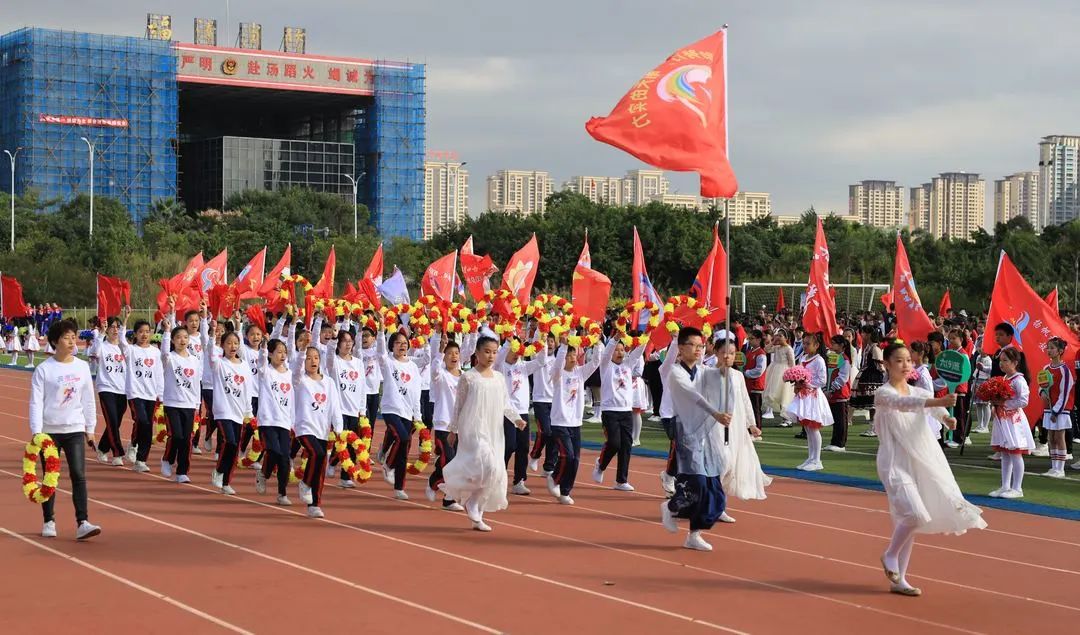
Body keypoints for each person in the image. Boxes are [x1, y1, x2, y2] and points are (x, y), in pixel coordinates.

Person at [873, 340, 986, 596]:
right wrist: (939, 402)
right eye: (899, 360)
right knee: (914, 515)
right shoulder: (884, 393)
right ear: (887, 364)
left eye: (908, 361)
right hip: (894, 461)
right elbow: (905, 405)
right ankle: (890, 555)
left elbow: (938, 413)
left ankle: (899, 580)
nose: (905, 365)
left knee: (908, 521)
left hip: (921, 460)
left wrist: (949, 418)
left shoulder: (920, 392)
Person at [439, 336, 527, 531]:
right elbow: (458, 405)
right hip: (472, 428)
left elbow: (506, 403)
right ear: (477, 353)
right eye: (487, 351)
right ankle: (472, 503)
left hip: (493, 428)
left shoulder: (499, 378)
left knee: (495, 470)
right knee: (485, 462)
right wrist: (452, 429)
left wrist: (517, 419)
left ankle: (476, 506)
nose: (491, 356)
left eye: (494, 352)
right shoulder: (468, 377)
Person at [659, 327, 733, 552]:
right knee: (697, 482)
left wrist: (724, 365)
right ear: (681, 348)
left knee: (713, 485)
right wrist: (715, 413)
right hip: (685, 429)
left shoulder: (701, 370)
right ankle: (672, 506)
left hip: (706, 432)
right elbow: (693, 395)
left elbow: (715, 375)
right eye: (694, 345)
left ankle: (694, 534)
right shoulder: (675, 372)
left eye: (701, 346)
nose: (699, 349)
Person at [30, 319, 101, 540]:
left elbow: (89, 399)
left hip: (75, 429)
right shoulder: (44, 370)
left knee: (78, 475)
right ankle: (49, 520)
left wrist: (90, 428)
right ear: (54, 341)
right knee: (51, 476)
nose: (72, 341)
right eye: (66, 337)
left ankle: (83, 522)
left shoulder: (81, 367)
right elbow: (36, 402)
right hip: (49, 431)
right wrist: (36, 432)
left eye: (74, 336)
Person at [546, 339, 602, 505]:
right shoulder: (557, 374)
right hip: (560, 422)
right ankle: (555, 478)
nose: (572, 357)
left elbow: (596, 361)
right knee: (567, 456)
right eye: (569, 355)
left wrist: (597, 342)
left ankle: (565, 492)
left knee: (575, 459)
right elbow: (557, 364)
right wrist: (563, 346)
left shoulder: (580, 373)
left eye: (574, 354)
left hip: (575, 423)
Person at [294, 346, 343, 518]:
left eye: (315, 357)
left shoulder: (328, 382)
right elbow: (297, 365)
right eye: (309, 358)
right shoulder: (300, 380)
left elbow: (335, 406)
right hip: (304, 427)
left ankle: (315, 504)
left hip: (322, 429)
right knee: (317, 453)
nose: (313, 361)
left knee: (321, 463)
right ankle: (305, 484)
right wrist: (301, 351)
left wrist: (338, 427)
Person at [592, 337, 646, 491]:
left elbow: (638, 351)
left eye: (622, 349)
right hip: (610, 411)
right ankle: (600, 465)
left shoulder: (628, 365)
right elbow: (607, 351)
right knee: (614, 443)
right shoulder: (606, 365)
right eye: (617, 349)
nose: (619, 352)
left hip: (626, 411)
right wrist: (614, 339)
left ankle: (621, 481)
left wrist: (647, 335)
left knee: (626, 446)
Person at [495, 337, 548, 494]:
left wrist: (542, 340)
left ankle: (519, 481)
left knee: (523, 447)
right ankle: (499, 476)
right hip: (507, 412)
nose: (517, 353)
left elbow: (540, 362)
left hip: (523, 412)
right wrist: (508, 341)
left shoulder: (524, 366)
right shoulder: (501, 366)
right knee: (509, 445)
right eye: (514, 349)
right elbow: (500, 356)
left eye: (519, 350)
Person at [377, 328, 423, 499]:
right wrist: (382, 330)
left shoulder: (412, 366)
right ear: (392, 346)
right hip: (390, 409)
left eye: (405, 343)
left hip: (407, 411)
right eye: (398, 343)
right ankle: (388, 465)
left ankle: (399, 487)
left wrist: (417, 415)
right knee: (402, 438)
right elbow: (381, 352)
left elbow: (416, 392)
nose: (402, 346)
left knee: (405, 448)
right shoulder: (388, 362)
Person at [159, 303, 203, 483]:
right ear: (173, 340)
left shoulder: (194, 361)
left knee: (186, 439)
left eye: (185, 337)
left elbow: (195, 384)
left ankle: (182, 471)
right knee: (176, 435)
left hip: (189, 404)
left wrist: (198, 406)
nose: (183, 340)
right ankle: (167, 459)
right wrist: (168, 331)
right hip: (172, 403)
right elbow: (163, 353)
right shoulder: (170, 358)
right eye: (178, 338)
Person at [210, 330, 255, 494]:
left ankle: (226, 482)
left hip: (238, 412)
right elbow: (212, 356)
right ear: (222, 346)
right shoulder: (219, 364)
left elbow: (247, 389)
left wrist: (249, 412)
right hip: (223, 411)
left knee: (235, 448)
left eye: (235, 343)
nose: (232, 346)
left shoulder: (244, 366)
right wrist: (212, 338)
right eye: (228, 343)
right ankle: (219, 470)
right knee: (230, 442)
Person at [784, 332, 833, 470]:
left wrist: (806, 383)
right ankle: (810, 457)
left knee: (813, 428)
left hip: (813, 397)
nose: (805, 346)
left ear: (816, 345)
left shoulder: (819, 360)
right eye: (804, 343)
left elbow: (822, 380)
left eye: (808, 343)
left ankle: (817, 460)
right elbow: (800, 372)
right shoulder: (804, 358)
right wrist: (797, 382)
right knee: (807, 428)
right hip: (803, 396)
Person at [990, 347, 1035, 498]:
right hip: (1003, 419)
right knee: (1005, 453)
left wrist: (1004, 404)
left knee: (1015, 453)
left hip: (1014, 421)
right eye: (1000, 360)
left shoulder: (1019, 380)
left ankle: (1017, 488)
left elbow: (1024, 400)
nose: (1001, 364)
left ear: (1015, 362)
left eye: (1005, 360)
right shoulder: (1004, 379)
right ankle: (1005, 486)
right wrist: (995, 405)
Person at [324, 328, 366, 488]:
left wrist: (362, 410)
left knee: (351, 443)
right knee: (342, 440)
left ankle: (341, 471)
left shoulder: (358, 363)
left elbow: (362, 386)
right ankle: (344, 473)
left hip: (354, 409)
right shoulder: (334, 361)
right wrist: (333, 338)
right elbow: (328, 355)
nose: (348, 344)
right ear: (338, 344)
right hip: (338, 409)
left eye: (350, 341)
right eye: (344, 341)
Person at [255, 338, 295, 505]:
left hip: (284, 421)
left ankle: (282, 493)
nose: (282, 355)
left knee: (285, 457)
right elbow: (262, 360)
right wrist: (263, 347)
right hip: (267, 420)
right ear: (271, 354)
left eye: (284, 352)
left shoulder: (290, 374)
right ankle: (264, 474)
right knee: (274, 451)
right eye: (278, 352)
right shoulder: (266, 372)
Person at [91, 313, 129, 466]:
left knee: (115, 422)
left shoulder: (124, 347)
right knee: (112, 420)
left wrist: (125, 320)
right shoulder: (102, 345)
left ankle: (102, 448)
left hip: (123, 389)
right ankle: (118, 453)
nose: (115, 330)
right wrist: (101, 332)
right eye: (112, 327)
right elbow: (95, 352)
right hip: (106, 388)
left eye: (117, 327)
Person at [1039, 337, 1073, 478]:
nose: (1049, 350)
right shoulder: (1046, 369)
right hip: (1048, 408)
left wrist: (1057, 410)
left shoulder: (1064, 370)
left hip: (1061, 410)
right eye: (1048, 347)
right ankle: (1053, 467)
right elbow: (1041, 385)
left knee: (1060, 437)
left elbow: (1065, 392)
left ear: (1060, 351)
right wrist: (1042, 393)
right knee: (1051, 437)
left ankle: (1061, 469)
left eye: (1052, 348)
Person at [528, 332, 558, 475]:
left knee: (555, 434)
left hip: (555, 401)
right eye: (548, 341)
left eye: (552, 341)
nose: (549, 343)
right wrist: (542, 332)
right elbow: (536, 343)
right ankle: (535, 455)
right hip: (540, 400)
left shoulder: (560, 359)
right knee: (545, 431)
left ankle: (549, 466)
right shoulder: (538, 358)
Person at [824, 334, 853, 452]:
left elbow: (843, 378)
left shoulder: (845, 360)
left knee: (841, 419)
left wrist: (831, 389)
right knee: (836, 419)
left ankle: (840, 443)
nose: (832, 345)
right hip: (833, 392)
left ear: (841, 345)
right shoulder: (833, 357)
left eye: (834, 343)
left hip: (840, 393)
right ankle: (834, 442)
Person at [763, 329, 795, 425]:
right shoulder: (777, 347)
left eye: (781, 336)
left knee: (785, 395)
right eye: (777, 335)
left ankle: (788, 418)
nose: (778, 337)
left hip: (784, 372)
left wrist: (790, 375)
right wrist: (773, 342)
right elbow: (766, 349)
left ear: (786, 338)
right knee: (777, 394)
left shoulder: (788, 349)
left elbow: (792, 363)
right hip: (774, 371)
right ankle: (783, 417)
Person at [743, 329, 767, 433]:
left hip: (756, 385)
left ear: (758, 340)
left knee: (756, 409)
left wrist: (746, 373)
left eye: (752, 339)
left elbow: (759, 370)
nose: (750, 341)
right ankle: (751, 428)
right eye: (749, 338)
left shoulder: (761, 353)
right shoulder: (750, 351)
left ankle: (758, 429)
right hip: (749, 384)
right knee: (750, 408)